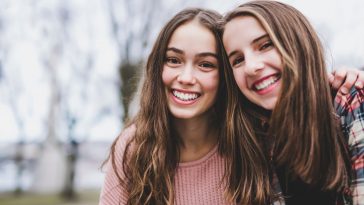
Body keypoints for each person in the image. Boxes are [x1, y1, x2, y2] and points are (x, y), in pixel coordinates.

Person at [99, 8, 272, 205]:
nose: (186, 78)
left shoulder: (253, 142)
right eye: (173, 60)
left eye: (205, 64)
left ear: (225, 76)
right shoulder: (132, 146)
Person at [222, 1, 364, 204]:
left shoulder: (352, 102)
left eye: (265, 45)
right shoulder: (252, 144)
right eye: (237, 60)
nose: (251, 67)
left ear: (297, 41)